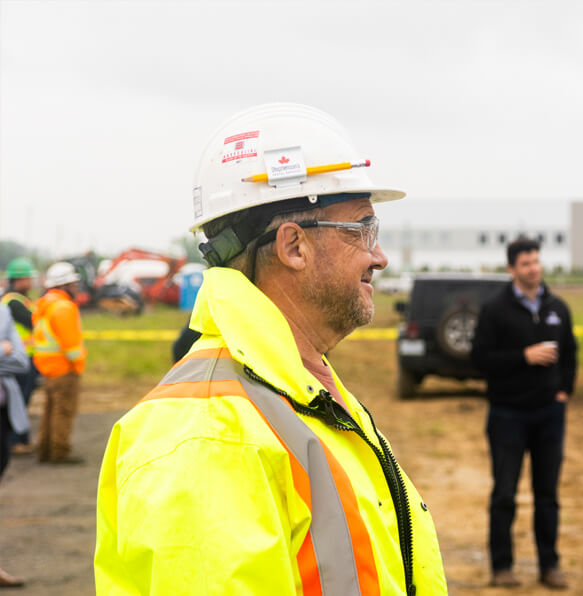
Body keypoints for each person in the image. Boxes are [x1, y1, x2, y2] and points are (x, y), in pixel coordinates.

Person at [94, 103, 447, 595]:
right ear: (293, 246)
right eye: (363, 228)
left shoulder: (295, 390)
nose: (379, 256)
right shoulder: (211, 437)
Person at [471, 237, 577, 590]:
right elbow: (480, 360)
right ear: (512, 269)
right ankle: (502, 567)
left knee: (547, 494)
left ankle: (550, 565)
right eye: (526, 264)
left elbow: (571, 354)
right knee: (504, 494)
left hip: (549, 414)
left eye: (537, 262)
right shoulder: (495, 310)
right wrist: (524, 356)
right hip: (507, 415)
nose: (534, 268)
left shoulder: (557, 307)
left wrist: (563, 392)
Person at [31, 262, 87, 464]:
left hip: (47, 368)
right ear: (63, 286)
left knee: (49, 412)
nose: (76, 288)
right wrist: (78, 366)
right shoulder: (64, 307)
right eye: (73, 284)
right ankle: (59, 453)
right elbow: (71, 346)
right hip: (64, 370)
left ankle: (45, 450)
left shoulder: (43, 305)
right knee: (63, 412)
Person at [0, 303, 29, 588]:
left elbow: (21, 361)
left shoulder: (3, 311)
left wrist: (11, 351)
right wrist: (3, 349)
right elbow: (10, 353)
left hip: (3, 419)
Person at [2, 257, 40, 452]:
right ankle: (15, 441)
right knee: (19, 399)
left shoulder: (20, 300)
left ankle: (21, 440)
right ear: (19, 279)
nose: (32, 281)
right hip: (18, 360)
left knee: (23, 398)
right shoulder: (12, 302)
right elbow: (34, 322)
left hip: (25, 357)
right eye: (28, 277)